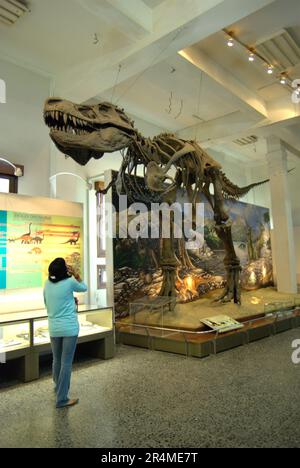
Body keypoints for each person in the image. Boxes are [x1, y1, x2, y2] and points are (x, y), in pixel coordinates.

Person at [43, 258, 88, 408]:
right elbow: (84, 287)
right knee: (66, 362)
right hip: (69, 328)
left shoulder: (47, 284)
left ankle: (58, 387)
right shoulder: (70, 282)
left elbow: (47, 303)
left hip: (54, 328)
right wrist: (76, 274)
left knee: (56, 360)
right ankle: (62, 399)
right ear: (64, 270)